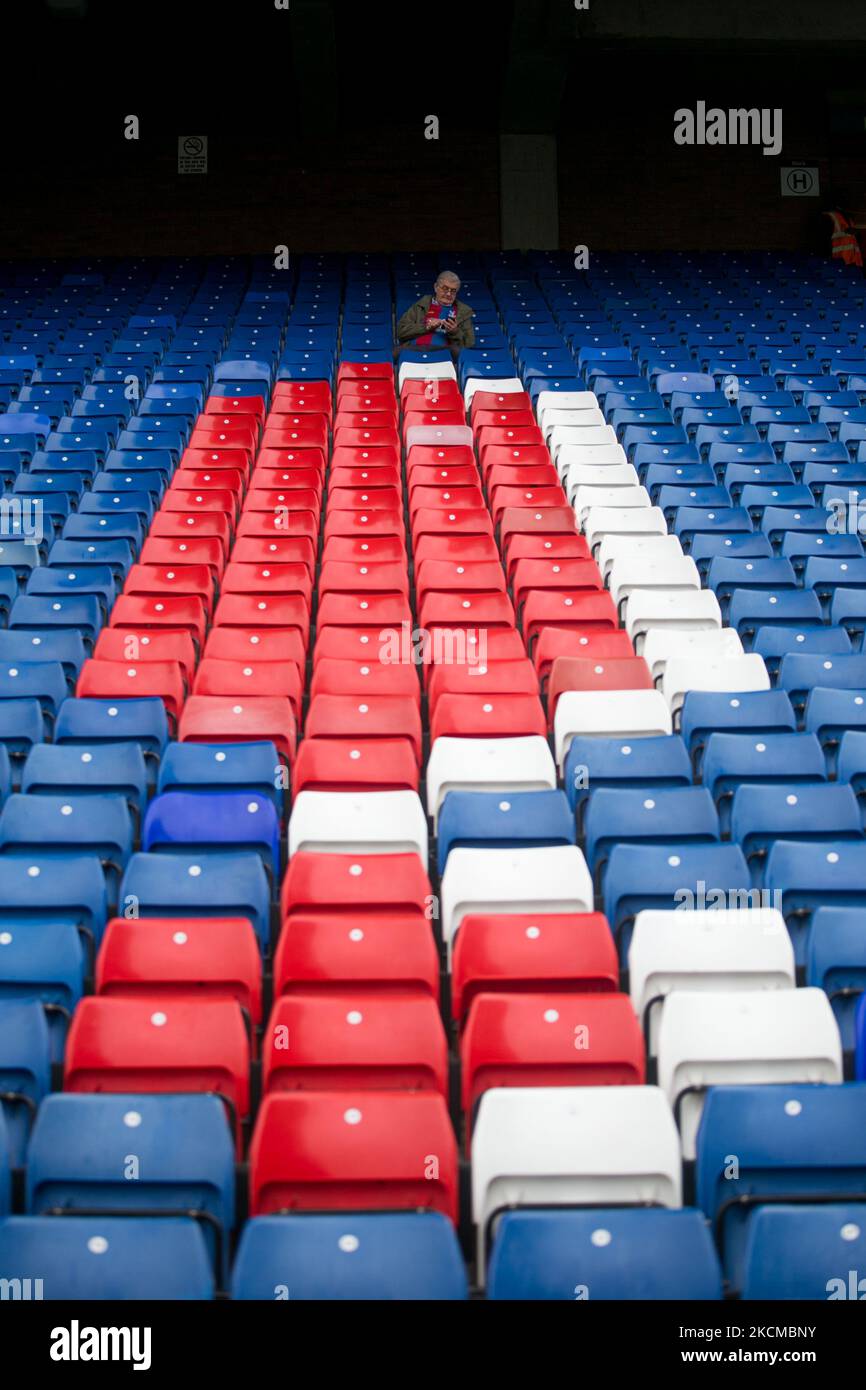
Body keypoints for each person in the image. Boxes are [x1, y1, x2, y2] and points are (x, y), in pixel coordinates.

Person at [395, 271, 475, 359]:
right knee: (395, 352)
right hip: (415, 349)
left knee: (458, 352)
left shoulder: (462, 311)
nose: (448, 294)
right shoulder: (419, 306)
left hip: (446, 352)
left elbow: (469, 344)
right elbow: (401, 332)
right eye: (445, 288)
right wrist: (426, 327)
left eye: (453, 291)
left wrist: (454, 332)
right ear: (436, 287)